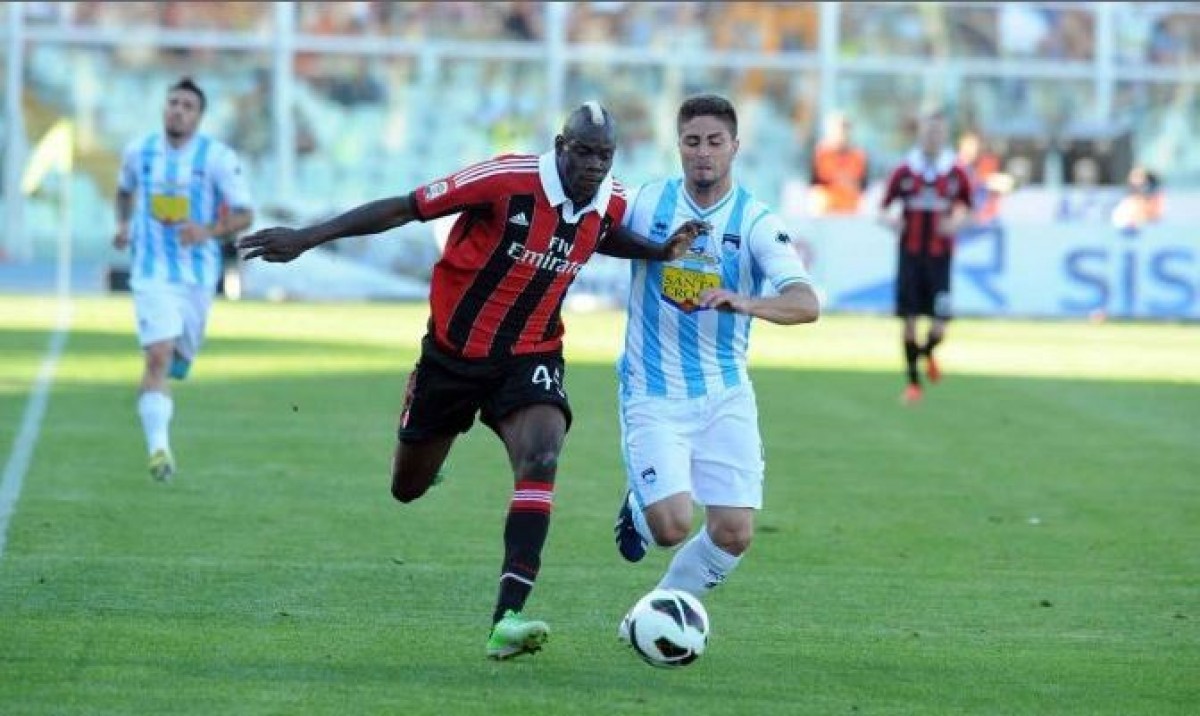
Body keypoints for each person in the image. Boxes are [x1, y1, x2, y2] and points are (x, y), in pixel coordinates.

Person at [236, 102, 706, 660]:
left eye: (605, 155)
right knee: (407, 487)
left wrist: (657, 251)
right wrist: (308, 238)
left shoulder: (612, 200)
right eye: (584, 152)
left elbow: (600, 233)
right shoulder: (505, 180)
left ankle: (507, 617)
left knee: (543, 455)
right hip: (452, 358)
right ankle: (427, 450)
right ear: (561, 146)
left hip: (530, 353)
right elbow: (406, 208)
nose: (594, 165)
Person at [610, 94, 821, 637]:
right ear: (678, 145)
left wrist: (746, 302)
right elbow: (592, 234)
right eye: (692, 141)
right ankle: (640, 505)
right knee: (671, 526)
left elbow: (805, 303)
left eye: (714, 142)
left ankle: (652, 616)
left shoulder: (755, 220)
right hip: (653, 389)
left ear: (734, 147)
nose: (703, 152)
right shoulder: (645, 203)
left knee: (733, 534)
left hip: (725, 393)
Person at [112, 77, 255, 481]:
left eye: (187, 105)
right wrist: (122, 224)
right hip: (151, 271)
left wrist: (206, 231)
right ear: (164, 107)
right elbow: (124, 191)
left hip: (197, 275)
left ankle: (175, 365)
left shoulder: (217, 158)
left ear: (199, 116)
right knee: (157, 355)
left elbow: (245, 214)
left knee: (178, 360)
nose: (177, 110)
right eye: (173, 102)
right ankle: (159, 449)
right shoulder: (139, 151)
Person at [878, 108, 973, 405]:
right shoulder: (905, 170)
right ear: (920, 133)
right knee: (909, 321)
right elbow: (882, 208)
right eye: (929, 131)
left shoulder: (955, 171)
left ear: (945, 135)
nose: (933, 136)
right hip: (910, 256)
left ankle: (926, 353)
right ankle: (913, 384)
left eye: (938, 131)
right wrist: (892, 221)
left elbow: (968, 207)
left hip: (940, 258)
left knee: (940, 325)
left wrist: (956, 223)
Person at [808, 111, 868, 215]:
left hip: (851, 204)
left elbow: (863, 184)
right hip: (826, 203)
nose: (843, 134)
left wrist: (850, 183)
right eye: (839, 129)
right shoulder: (822, 154)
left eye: (846, 129)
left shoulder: (858, 156)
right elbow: (814, 182)